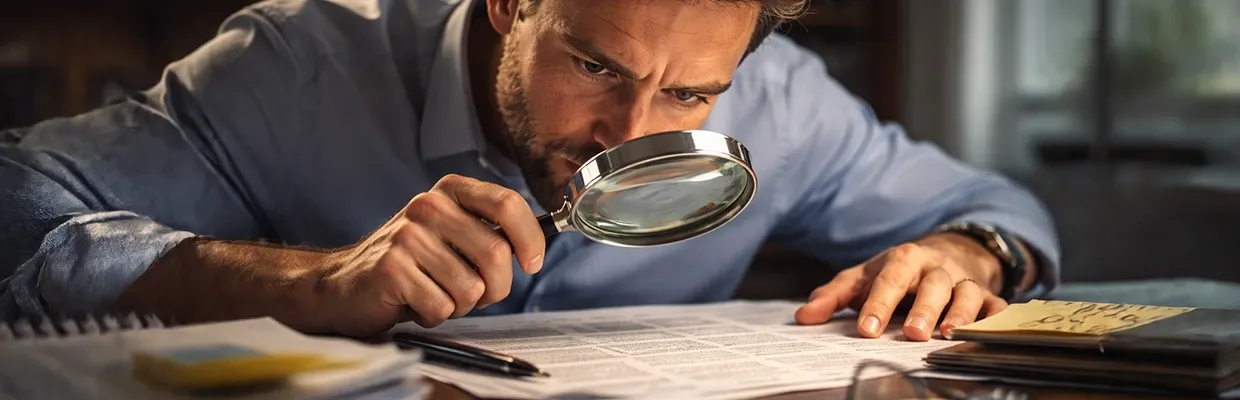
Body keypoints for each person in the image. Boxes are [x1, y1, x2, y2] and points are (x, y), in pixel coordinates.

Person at [0, 0, 1060, 341]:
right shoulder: (299, 64)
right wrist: (303, 282)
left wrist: (962, 249)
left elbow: (994, 209)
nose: (628, 133)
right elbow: (14, 209)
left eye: (690, 96)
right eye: (593, 65)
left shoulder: (783, 105)